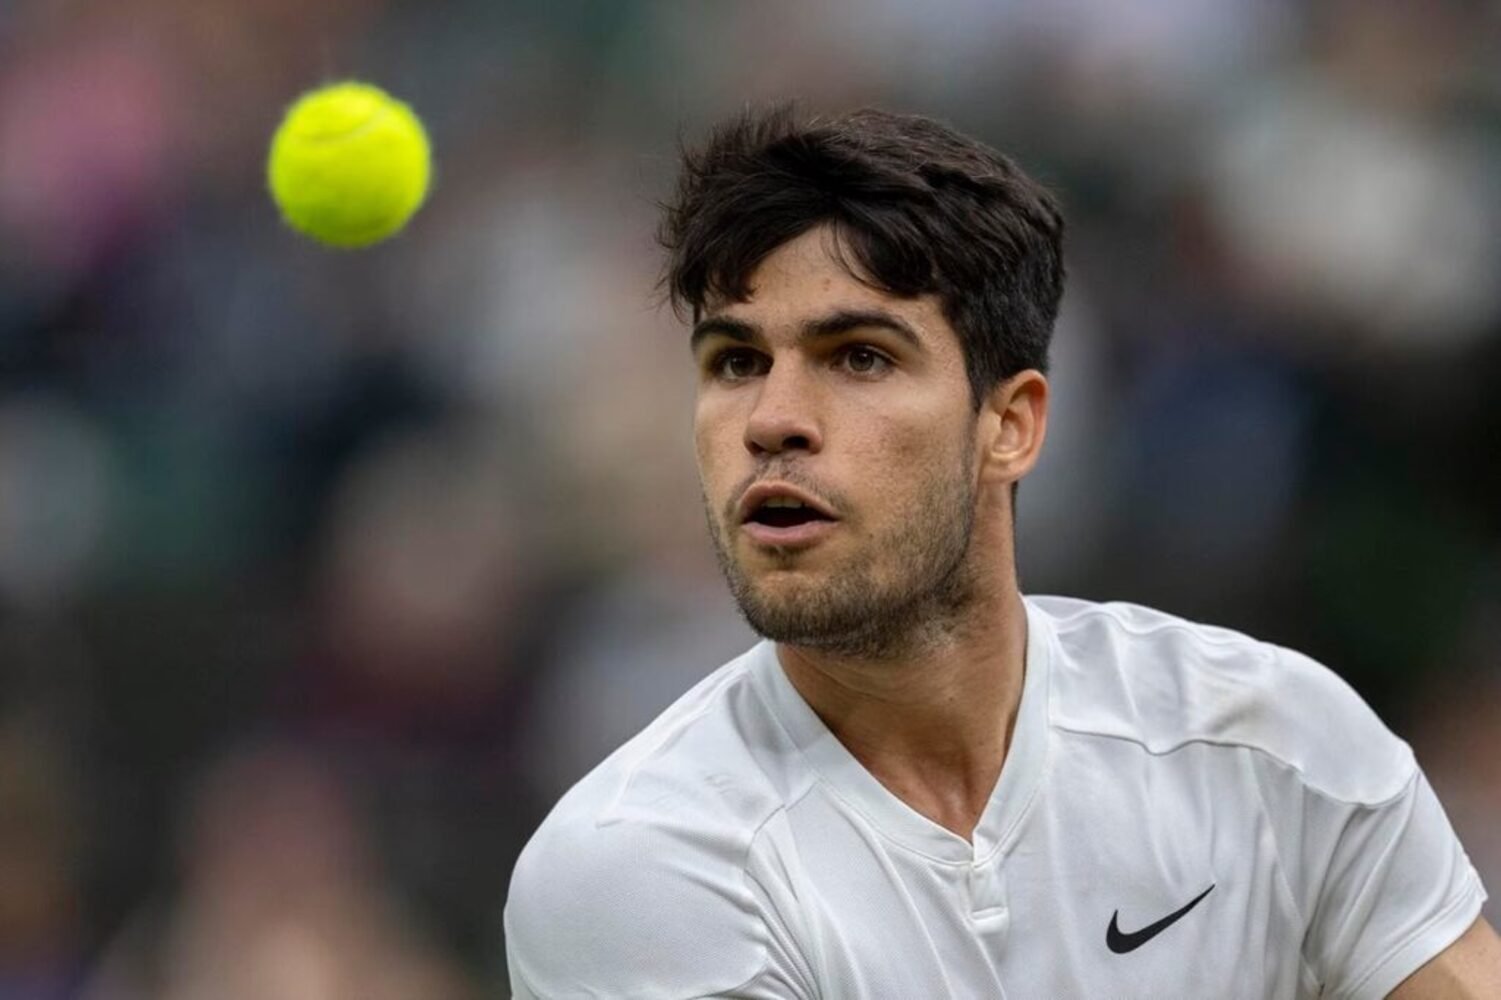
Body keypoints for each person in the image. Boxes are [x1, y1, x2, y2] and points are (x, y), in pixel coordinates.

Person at [503, 105, 1500, 998]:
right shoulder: (634, 866)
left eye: (859, 357)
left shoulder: (1277, 747)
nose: (772, 420)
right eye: (735, 362)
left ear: (1010, 425)